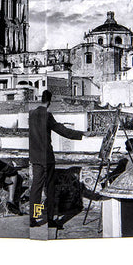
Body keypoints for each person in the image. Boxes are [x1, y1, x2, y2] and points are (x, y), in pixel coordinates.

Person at [28, 90, 83, 228]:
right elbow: (62, 130)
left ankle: (34, 218)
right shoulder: (47, 115)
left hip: (35, 157)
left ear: (41, 99)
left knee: (36, 188)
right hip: (47, 157)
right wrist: (81, 134)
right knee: (50, 189)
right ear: (50, 101)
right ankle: (50, 219)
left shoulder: (31, 114)